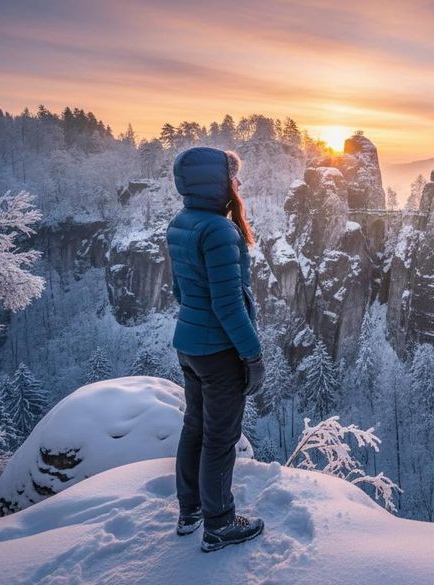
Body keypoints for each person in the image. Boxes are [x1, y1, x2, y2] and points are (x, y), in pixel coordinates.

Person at [166, 147, 266, 552]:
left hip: (189, 345)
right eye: (233, 175)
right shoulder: (221, 230)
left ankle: (190, 510)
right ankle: (220, 524)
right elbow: (230, 304)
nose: (238, 183)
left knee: (195, 428)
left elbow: (181, 291)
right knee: (221, 438)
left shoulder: (182, 223)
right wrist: (253, 355)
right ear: (217, 182)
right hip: (220, 351)